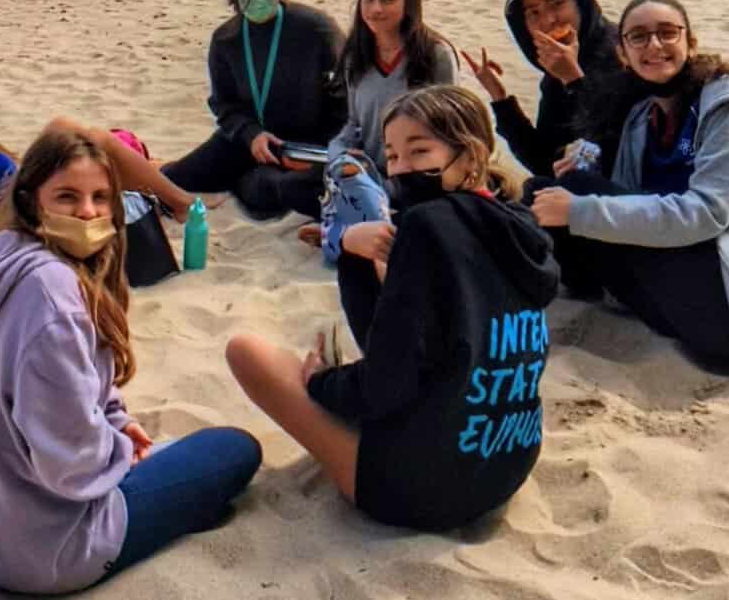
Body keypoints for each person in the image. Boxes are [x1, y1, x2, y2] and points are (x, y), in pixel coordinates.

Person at [0, 127, 262, 593]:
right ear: (32, 201)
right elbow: (71, 463)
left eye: (101, 198)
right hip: (37, 550)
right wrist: (119, 451)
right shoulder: (53, 300)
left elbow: (60, 394)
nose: (87, 212)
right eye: (67, 197)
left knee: (162, 453)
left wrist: (117, 421)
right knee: (233, 450)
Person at [226, 86, 560, 532]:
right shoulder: (517, 225)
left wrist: (323, 381)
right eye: (393, 155)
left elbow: (385, 384)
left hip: (424, 490)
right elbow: (421, 340)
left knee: (246, 352)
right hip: (507, 463)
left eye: (419, 151)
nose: (401, 168)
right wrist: (361, 258)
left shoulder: (425, 226)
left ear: (470, 154)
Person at [530, 0, 729, 370]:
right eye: (639, 37)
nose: (654, 45)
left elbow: (706, 213)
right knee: (549, 189)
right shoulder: (643, 117)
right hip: (685, 300)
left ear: (690, 43)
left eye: (667, 33)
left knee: (576, 196)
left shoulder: (728, 108)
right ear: (623, 53)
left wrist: (579, 209)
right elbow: (634, 199)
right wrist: (589, 165)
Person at [163, 0, 346, 219]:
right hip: (246, 142)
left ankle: (245, 183)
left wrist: (320, 149)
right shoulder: (226, 39)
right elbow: (223, 105)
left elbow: (346, 95)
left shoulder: (316, 28)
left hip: (303, 148)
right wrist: (251, 135)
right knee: (171, 180)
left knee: (268, 190)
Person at [0, 51, 198, 215]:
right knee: (84, 137)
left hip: (26, 195)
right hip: (25, 211)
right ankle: (179, 202)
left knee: (83, 138)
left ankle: (160, 178)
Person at [463, 0, 619, 177]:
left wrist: (574, 81)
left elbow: (615, 150)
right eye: (534, 13)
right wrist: (500, 98)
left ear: (580, 4)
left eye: (558, 4)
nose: (549, 20)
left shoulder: (621, 55)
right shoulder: (556, 71)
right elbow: (543, 162)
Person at [328, 0, 459, 171]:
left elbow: (450, 130)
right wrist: (338, 152)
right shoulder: (356, 55)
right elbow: (354, 124)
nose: (375, 8)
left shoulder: (435, 55)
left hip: (419, 177)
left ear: (408, 3)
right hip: (370, 175)